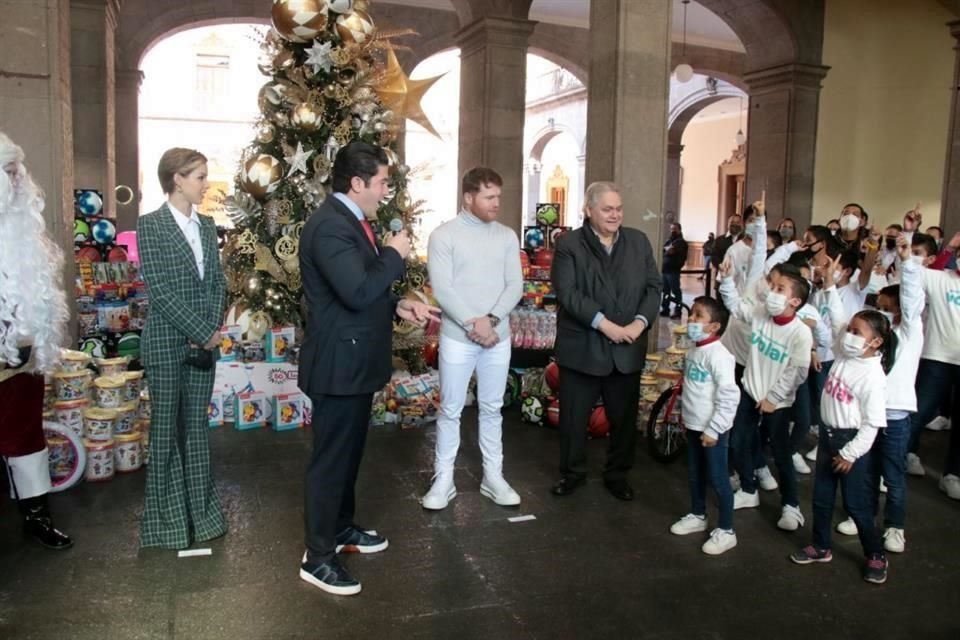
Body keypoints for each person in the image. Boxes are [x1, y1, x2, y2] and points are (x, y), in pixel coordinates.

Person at [298, 141, 439, 596]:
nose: (385, 190)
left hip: (355, 361)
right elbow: (358, 291)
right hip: (339, 365)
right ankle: (317, 558)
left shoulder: (351, 222)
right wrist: (394, 254)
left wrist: (398, 304)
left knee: (349, 454)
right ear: (356, 183)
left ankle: (341, 529)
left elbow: (360, 289)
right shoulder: (329, 228)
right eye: (381, 182)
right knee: (331, 461)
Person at [137, 148, 227, 550]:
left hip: (202, 344)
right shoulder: (150, 226)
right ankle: (166, 525)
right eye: (199, 176)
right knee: (165, 434)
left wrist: (210, 330)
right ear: (177, 179)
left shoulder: (207, 226)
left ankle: (204, 519)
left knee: (195, 433)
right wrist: (202, 330)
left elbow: (217, 283)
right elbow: (161, 290)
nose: (205, 184)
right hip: (165, 343)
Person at [550, 181, 661, 500]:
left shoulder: (638, 242)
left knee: (624, 419)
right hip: (584, 346)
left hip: (628, 345)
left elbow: (654, 287)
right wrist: (607, 326)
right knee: (574, 418)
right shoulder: (570, 244)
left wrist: (640, 323)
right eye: (607, 209)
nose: (615, 215)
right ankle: (572, 474)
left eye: (619, 208)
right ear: (588, 210)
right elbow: (569, 294)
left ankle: (618, 474)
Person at [422, 167, 523, 510]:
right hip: (458, 338)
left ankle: (493, 477)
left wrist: (491, 320)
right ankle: (443, 479)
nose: (497, 203)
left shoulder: (507, 236)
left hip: (497, 336)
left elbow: (515, 285)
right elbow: (443, 288)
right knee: (451, 409)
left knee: (492, 408)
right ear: (468, 197)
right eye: (489, 196)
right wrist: (472, 324)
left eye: (499, 196)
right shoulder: (443, 236)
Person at [0, 131, 72, 550]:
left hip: (22, 362)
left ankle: (36, 516)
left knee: (27, 438)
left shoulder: (25, 230)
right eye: (6, 172)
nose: (16, 180)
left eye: (17, 172)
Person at [832, 235, 923, 553]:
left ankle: (895, 526)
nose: (882, 314)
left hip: (895, 415)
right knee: (866, 469)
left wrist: (908, 261)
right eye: (879, 309)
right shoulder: (871, 342)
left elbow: (912, 299)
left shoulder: (909, 332)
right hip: (866, 415)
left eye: (889, 310)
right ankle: (865, 518)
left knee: (893, 473)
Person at [790, 309, 895, 585]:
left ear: (876, 342)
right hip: (828, 437)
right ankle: (821, 546)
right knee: (822, 498)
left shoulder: (873, 377)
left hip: (851, 444)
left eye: (857, 332)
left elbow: (872, 424)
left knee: (856, 504)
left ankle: (875, 554)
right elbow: (835, 321)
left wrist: (849, 454)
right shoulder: (846, 356)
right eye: (849, 329)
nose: (849, 335)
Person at [720, 236, 813, 532]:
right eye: (772, 287)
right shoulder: (760, 314)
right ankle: (749, 490)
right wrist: (725, 280)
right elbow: (736, 307)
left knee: (781, 453)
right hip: (750, 391)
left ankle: (791, 506)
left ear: (795, 301)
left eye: (779, 289)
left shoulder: (799, 333)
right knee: (738, 441)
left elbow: (796, 372)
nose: (771, 292)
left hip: (778, 401)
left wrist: (773, 397)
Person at [669, 296, 740, 555]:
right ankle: (698, 514)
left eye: (699, 316)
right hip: (695, 425)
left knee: (719, 479)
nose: (692, 320)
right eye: (692, 315)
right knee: (695, 474)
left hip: (713, 430)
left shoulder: (720, 356)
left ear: (714, 327)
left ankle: (726, 529)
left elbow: (729, 396)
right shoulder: (694, 350)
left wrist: (714, 429)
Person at [905, 232, 960, 499]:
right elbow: (911, 268)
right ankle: (905, 453)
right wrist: (948, 248)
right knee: (919, 412)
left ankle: (952, 474)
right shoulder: (941, 279)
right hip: (937, 357)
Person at [661, 222, 688, 319]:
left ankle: (678, 310)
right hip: (665, 270)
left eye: (675, 229)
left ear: (679, 230)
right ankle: (665, 309)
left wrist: (667, 250)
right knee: (665, 291)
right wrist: (666, 249)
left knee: (676, 291)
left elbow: (670, 251)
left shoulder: (681, 242)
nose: (672, 231)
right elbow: (662, 249)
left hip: (673, 270)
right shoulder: (669, 240)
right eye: (671, 228)